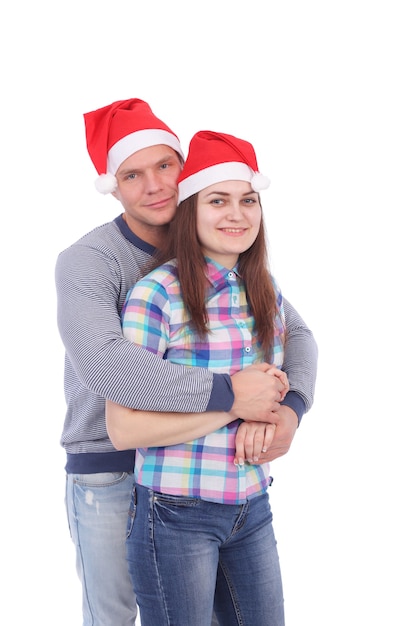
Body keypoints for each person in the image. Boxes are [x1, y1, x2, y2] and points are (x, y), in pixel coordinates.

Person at [55, 99, 318, 626]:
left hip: (208, 470)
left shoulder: (222, 253)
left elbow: (298, 335)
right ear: (114, 185)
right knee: (112, 617)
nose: (154, 185)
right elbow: (110, 367)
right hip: (110, 465)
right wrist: (233, 396)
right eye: (133, 174)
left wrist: (288, 407)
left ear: (185, 168)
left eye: (165, 166)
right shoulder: (90, 261)